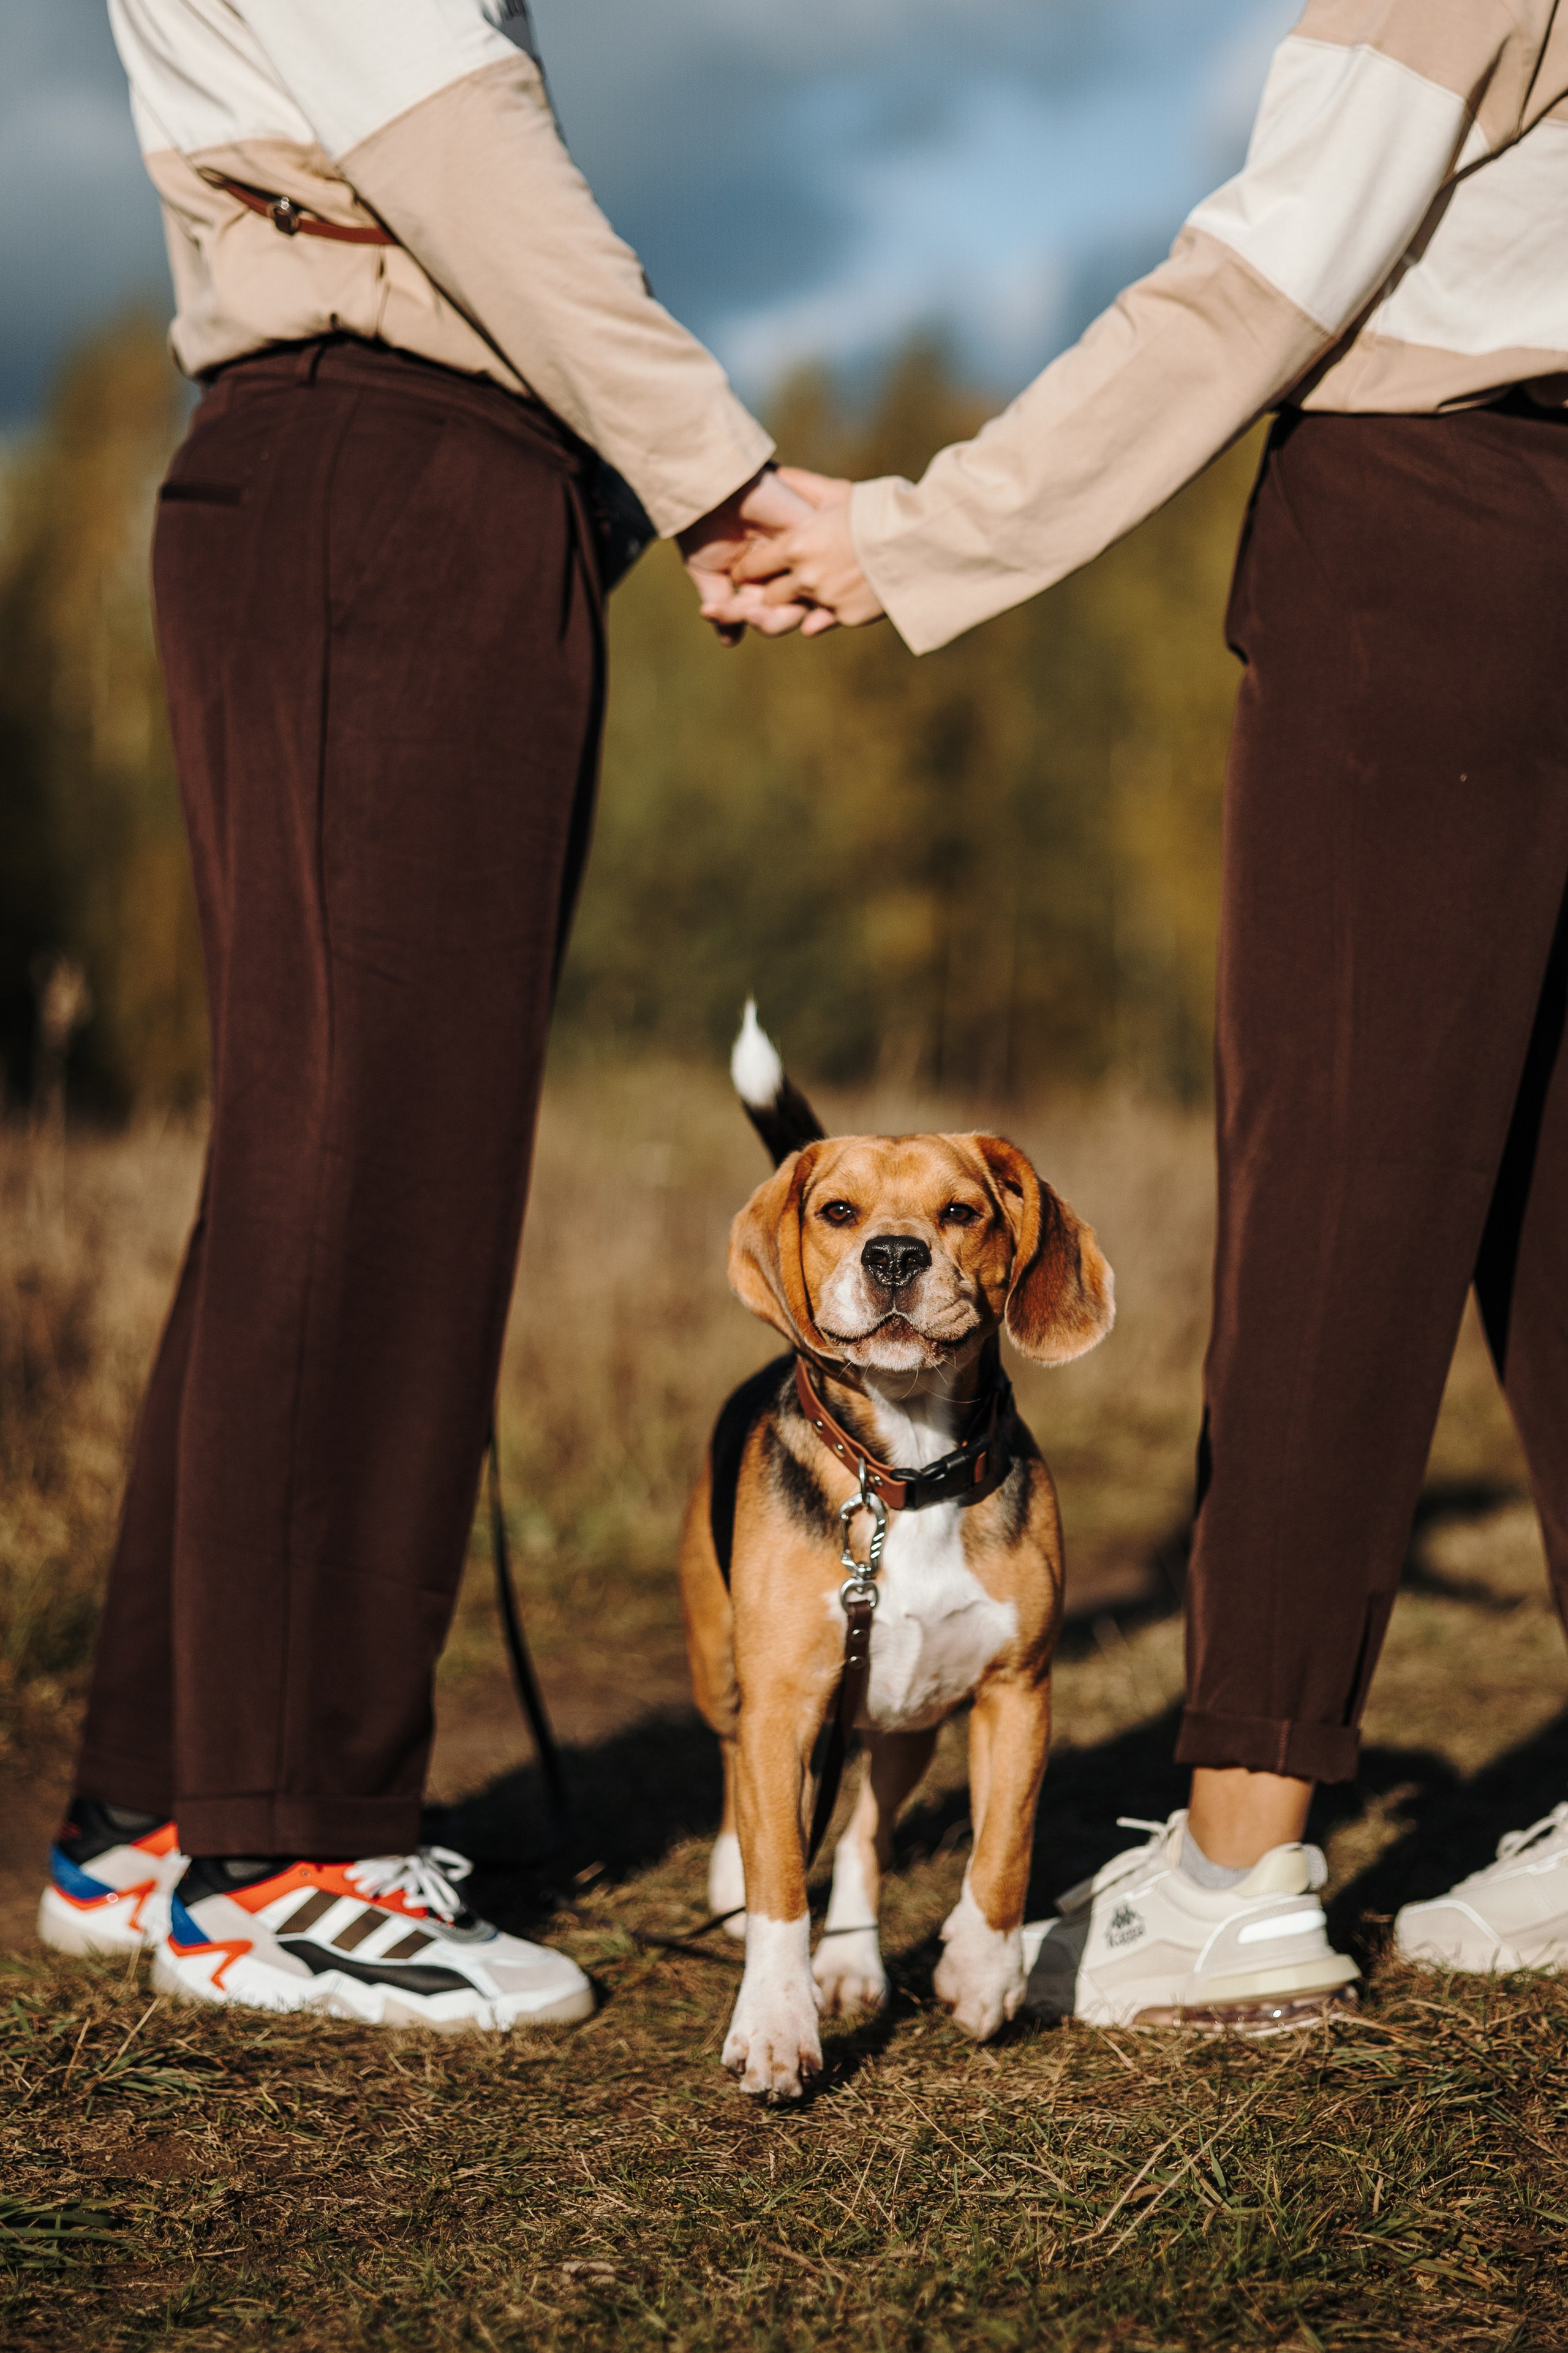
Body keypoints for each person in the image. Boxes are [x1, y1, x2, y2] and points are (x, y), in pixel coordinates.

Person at [731, 0, 1568, 2022]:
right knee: (1554, 1198)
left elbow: (1257, 284)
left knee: (1338, 1191)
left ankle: (1242, 1853)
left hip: (1433, 534)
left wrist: (916, 528)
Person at [39, 0, 809, 2031]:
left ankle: (157, 1803)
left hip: (391, 473)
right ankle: (285, 1852)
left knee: (311, 1151)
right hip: (384, 473)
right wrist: (715, 477)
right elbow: (461, 149)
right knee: (377, 1152)